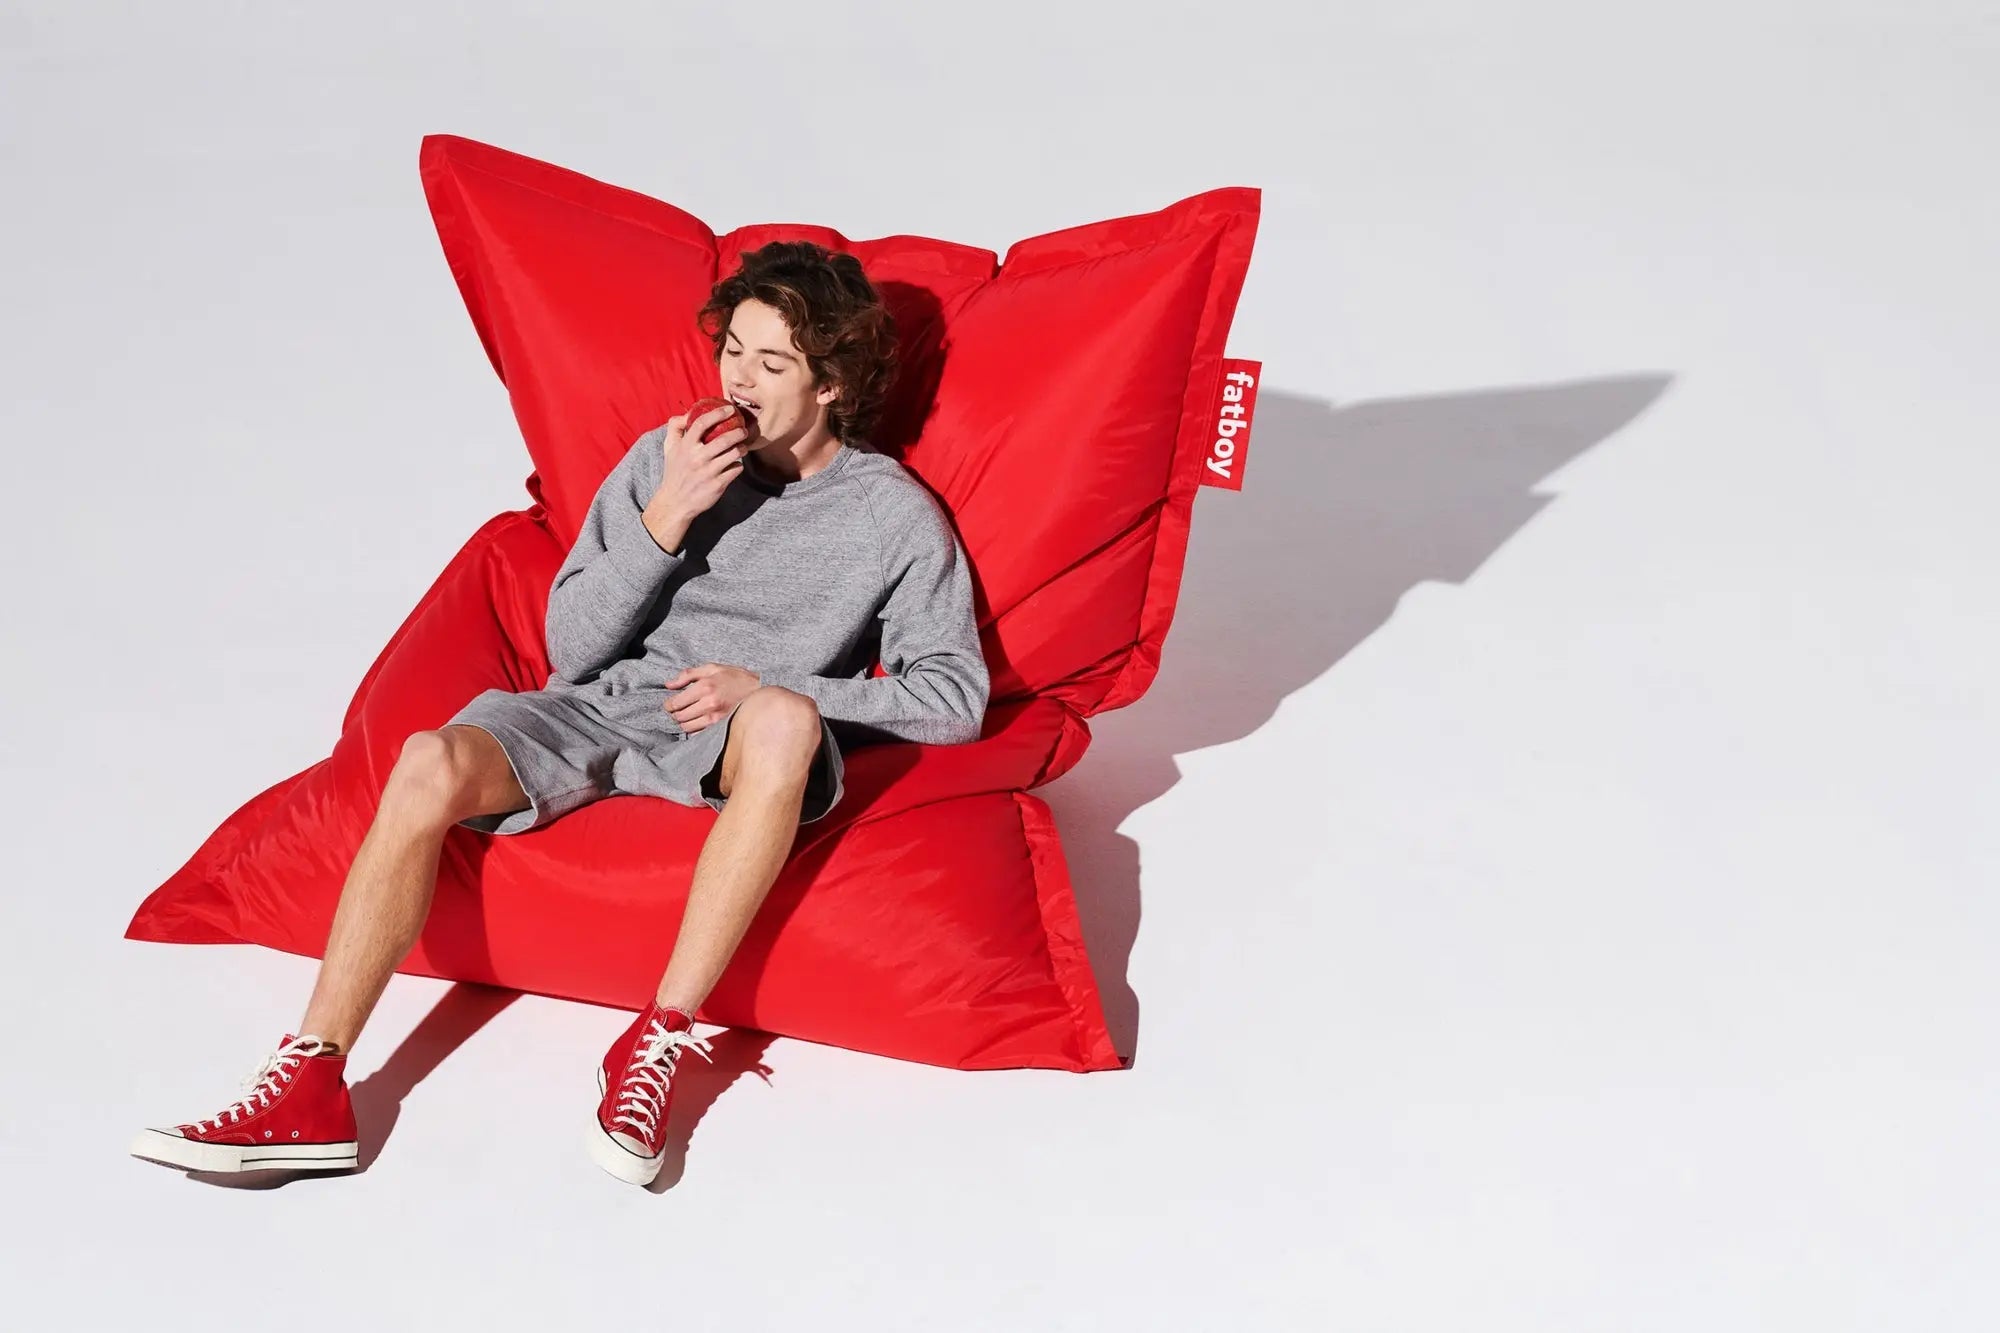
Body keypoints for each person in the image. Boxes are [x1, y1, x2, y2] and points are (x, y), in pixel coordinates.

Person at [130, 242, 991, 1187]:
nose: (739, 379)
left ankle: (655, 1042)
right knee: (425, 758)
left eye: (772, 363)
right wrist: (667, 514)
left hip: (733, 735)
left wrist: (769, 687)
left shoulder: (890, 515)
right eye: (733, 351)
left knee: (787, 721)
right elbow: (571, 650)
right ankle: (312, 1081)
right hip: (604, 708)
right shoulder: (668, 458)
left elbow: (953, 697)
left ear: (832, 385)